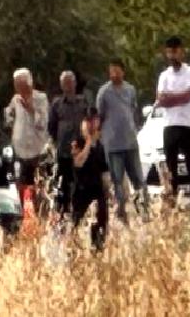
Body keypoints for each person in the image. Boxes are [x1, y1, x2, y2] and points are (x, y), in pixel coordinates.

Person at [156, 36, 190, 210]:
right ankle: (172, 202)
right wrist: (175, 98)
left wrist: (171, 98)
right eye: (169, 52)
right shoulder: (164, 76)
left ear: (181, 52)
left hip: (186, 125)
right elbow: (161, 100)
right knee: (171, 166)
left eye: (175, 51)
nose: (172, 55)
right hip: (170, 125)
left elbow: (187, 96)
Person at [96, 58, 145, 221]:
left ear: (123, 72)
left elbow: (133, 110)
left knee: (138, 178)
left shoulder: (130, 89)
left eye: (117, 71)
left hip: (130, 142)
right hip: (113, 144)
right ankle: (121, 213)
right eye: (111, 71)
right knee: (117, 180)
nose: (114, 74)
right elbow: (99, 116)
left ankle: (144, 211)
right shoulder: (104, 92)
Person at [3, 68, 49, 208]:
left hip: (37, 149)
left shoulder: (40, 98)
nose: (20, 89)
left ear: (30, 84)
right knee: (21, 184)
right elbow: (8, 117)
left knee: (39, 184)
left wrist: (31, 110)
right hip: (20, 149)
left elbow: (43, 123)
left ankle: (40, 212)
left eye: (23, 85)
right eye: (17, 85)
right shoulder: (16, 100)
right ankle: (23, 213)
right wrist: (9, 117)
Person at [47, 70, 89, 215]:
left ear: (75, 83)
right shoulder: (57, 104)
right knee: (63, 184)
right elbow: (51, 126)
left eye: (70, 82)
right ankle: (63, 213)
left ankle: (81, 211)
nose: (68, 85)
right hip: (64, 151)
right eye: (65, 83)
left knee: (81, 183)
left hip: (81, 152)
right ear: (61, 85)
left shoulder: (83, 102)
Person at [69, 112, 111, 251]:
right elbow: (78, 162)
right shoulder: (77, 142)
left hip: (97, 188)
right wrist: (87, 142)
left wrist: (107, 189)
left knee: (101, 219)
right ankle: (75, 248)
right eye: (90, 122)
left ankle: (98, 246)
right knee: (77, 222)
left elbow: (105, 170)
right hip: (81, 189)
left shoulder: (100, 145)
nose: (93, 126)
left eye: (96, 122)